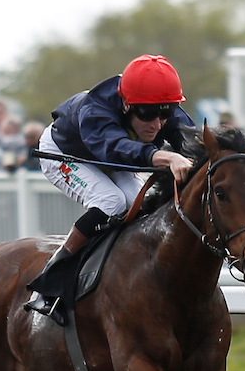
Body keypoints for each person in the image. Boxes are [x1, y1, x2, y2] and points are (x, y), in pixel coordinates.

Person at [27, 54, 194, 319]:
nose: (157, 124)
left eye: (165, 113)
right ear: (127, 104)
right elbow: (114, 148)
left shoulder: (153, 102)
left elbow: (191, 139)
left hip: (107, 156)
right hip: (66, 153)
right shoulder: (96, 110)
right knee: (112, 201)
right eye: (149, 115)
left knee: (138, 199)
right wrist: (168, 156)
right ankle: (52, 278)